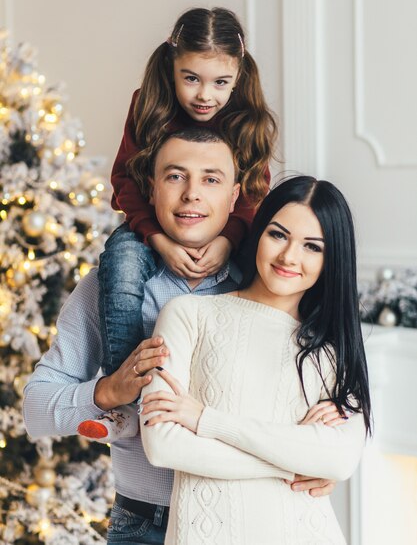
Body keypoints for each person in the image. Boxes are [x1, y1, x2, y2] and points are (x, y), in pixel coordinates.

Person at [24, 137, 337, 545]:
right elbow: (34, 408)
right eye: (175, 176)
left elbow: (330, 406)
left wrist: (320, 460)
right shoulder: (107, 288)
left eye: (211, 179)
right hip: (144, 524)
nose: (192, 193)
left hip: (251, 514)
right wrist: (107, 392)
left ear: (233, 196)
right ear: (152, 189)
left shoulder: (271, 280)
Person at [139, 175, 372, 545]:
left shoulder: (332, 347)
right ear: (258, 233)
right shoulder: (189, 315)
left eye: (313, 246)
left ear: (332, 259)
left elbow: (340, 461)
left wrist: (205, 420)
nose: (289, 257)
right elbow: (163, 444)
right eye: (278, 235)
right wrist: (296, 459)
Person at [98, 6, 277, 379]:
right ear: (171, 66)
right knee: (122, 262)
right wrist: (157, 239)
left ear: (238, 75)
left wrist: (229, 240)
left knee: (268, 263)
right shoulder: (148, 105)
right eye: (191, 78)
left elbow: (253, 193)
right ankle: (126, 382)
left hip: (231, 229)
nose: (205, 95)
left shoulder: (247, 118)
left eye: (220, 83)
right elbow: (126, 181)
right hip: (150, 226)